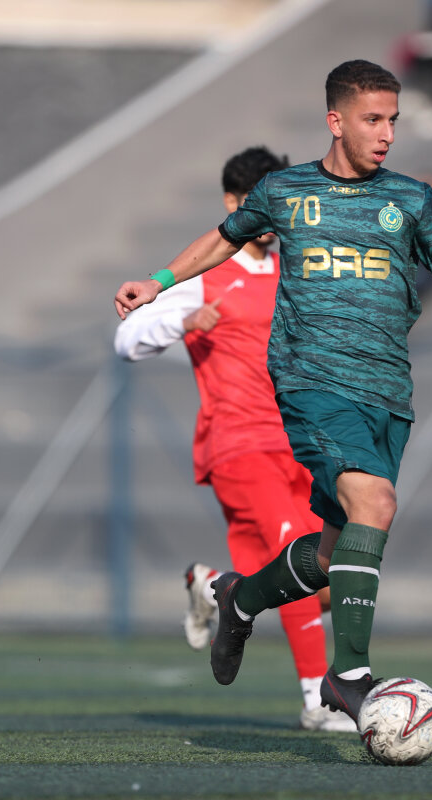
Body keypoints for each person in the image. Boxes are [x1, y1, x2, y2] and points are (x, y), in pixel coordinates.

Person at [114, 59, 432, 724]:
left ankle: (238, 598)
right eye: (373, 119)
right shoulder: (287, 191)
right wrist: (158, 283)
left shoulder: (411, 199)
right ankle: (345, 680)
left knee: (332, 552)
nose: (386, 133)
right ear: (336, 121)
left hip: (386, 392)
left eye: (393, 120)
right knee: (376, 502)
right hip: (310, 386)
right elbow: (222, 240)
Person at [113, 146, 355, 733]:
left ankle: (211, 586)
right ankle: (318, 702)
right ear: (231, 203)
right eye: (257, 201)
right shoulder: (205, 275)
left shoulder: (296, 268)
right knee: (300, 553)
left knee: (320, 577)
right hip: (239, 444)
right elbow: (127, 339)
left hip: (300, 446)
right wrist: (181, 321)